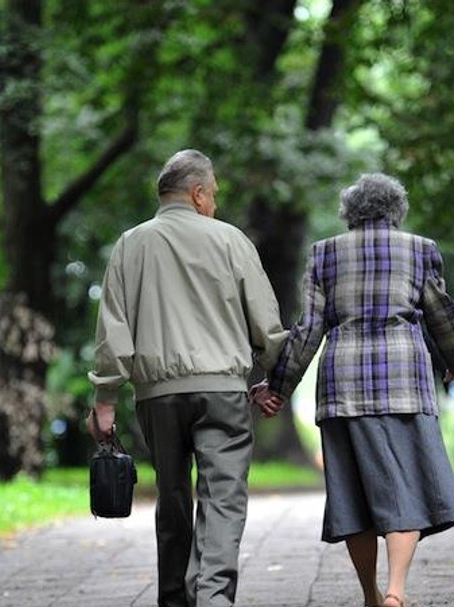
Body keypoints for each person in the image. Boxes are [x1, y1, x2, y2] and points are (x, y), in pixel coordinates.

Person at [253, 172, 454, 607]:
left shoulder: (325, 254)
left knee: (353, 498)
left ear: (349, 213)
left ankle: (370, 597)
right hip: (404, 385)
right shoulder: (420, 250)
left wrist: (279, 387)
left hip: (343, 388)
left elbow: (308, 330)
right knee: (407, 489)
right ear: (397, 210)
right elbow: (443, 318)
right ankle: (396, 592)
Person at [86, 149, 288, 607]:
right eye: (213, 195)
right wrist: (276, 377)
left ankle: (175, 599)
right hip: (223, 394)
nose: (214, 203)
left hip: (158, 397)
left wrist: (104, 399)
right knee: (223, 498)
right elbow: (266, 324)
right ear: (198, 194)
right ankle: (214, 597)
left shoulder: (130, 244)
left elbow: (113, 330)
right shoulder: (231, 240)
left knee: (172, 500)